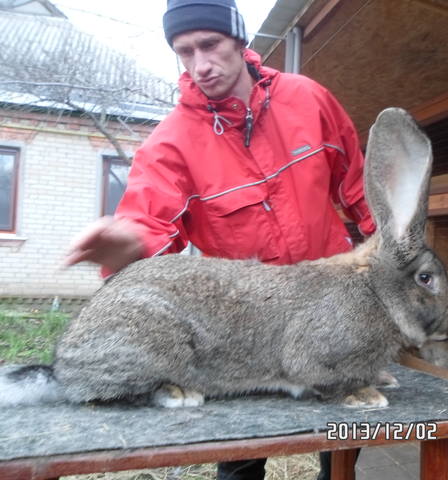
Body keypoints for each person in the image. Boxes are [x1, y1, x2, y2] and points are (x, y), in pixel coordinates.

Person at [65, 1, 373, 479]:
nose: (200, 65)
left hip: (331, 305)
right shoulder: (171, 143)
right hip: (244, 327)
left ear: (239, 40)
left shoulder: (308, 100)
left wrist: (392, 249)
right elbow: (147, 224)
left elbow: (357, 183)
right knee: (240, 448)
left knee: (346, 430)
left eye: (209, 44)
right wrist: (125, 244)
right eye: (184, 52)